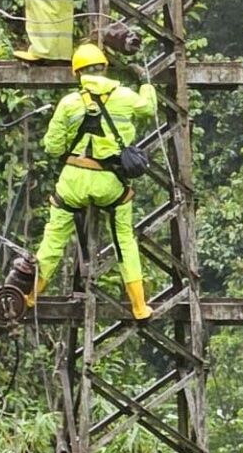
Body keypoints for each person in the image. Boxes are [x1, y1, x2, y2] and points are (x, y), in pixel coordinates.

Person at [29, 43, 157, 320]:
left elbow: (52, 147)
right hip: (110, 183)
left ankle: (30, 296)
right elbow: (148, 109)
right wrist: (145, 83)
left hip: (73, 182)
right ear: (105, 67)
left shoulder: (69, 103)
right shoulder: (125, 96)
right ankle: (139, 306)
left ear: (78, 74)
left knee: (53, 240)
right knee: (124, 240)